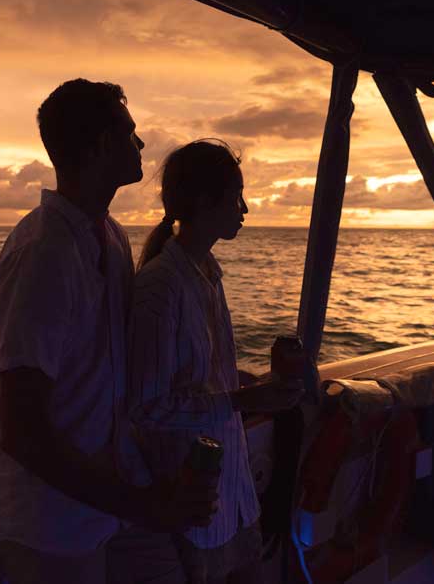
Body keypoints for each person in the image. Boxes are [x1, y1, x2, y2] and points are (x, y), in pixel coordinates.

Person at [0, 80, 217, 584]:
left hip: (112, 505)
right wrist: (143, 505)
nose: (141, 145)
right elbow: (24, 430)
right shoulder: (44, 252)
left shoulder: (110, 236)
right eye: (130, 133)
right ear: (103, 144)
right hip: (47, 529)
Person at [128, 140, 306, 584]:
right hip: (194, 501)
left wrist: (255, 387)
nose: (245, 209)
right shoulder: (160, 286)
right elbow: (148, 408)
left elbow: (204, 379)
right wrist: (242, 399)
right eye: (236, 197)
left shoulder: (206, 272)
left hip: (234, 494)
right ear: (206, 202)